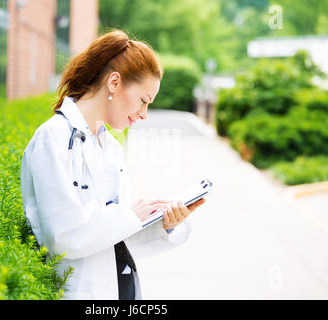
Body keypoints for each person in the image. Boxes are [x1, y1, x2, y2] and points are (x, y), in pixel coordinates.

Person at [20, 29, 206, 300]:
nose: (144, 114)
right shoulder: (53, 138)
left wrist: (163, 223)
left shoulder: (109, 148)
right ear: (114, 82)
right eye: (144, 101)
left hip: (120, 290)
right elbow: (62, 235)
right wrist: (132, 215)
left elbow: (116, 237)